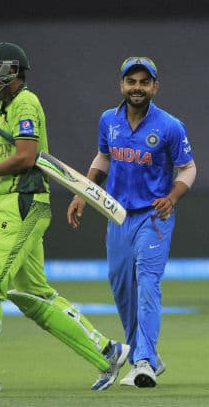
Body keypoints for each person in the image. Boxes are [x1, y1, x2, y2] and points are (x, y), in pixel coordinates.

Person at [0, 42, 129, 392]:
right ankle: (107, 351)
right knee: (32, 295)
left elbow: (26, 156)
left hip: (23, 202)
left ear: (9, 70)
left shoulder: (25, 103)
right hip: (13, 203)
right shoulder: (4, 110)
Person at [67, 56, 196, 388]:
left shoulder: (170, 125)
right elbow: (103, 157)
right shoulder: (108, 120)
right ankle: (145, 352)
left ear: (155, 87)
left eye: (144, 82)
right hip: (117, 215)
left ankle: (144, 362)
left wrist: (172, 197)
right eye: (131, 82)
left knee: (148, 282)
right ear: (122, 85)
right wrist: (83, 193)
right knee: (122, 285)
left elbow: (188, 168)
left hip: (154, 215)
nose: (137, 88)